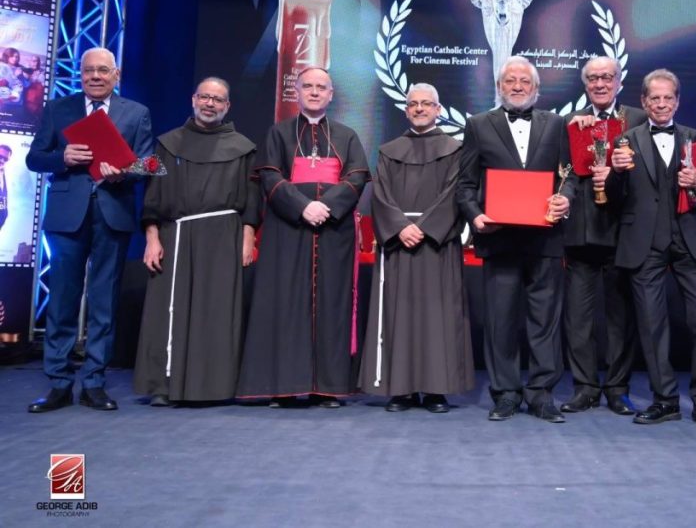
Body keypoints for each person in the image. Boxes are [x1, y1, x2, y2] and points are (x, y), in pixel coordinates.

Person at [26, 47, 154, 412]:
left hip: (113, 213)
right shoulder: (58, 109)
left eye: (102, 70)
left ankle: (94, 382)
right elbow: (34, 158)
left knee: (103, 301)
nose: (95, 76)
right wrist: (62, 158)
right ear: (80, 75)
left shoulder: (136, 113)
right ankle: (59, 383)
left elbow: (150, 164)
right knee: (62, 300)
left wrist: (124, 172)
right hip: (67, 215)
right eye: (88, 71)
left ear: (116, 74)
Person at [236, 67, 369, 408]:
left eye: (321, 87)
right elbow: (269, 177)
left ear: (331, 94)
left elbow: (356, 177)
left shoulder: (347, 135)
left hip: (334, 232)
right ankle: (284, 386)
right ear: (296, 92)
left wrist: (326, 207)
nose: (314, 92)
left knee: (331, 306)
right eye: (307, 86)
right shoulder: (278, 133)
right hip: (288, 229)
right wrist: (303, 207)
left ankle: (327, 388)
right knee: (285, 305)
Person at [456, 55, 574, 423]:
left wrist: (566, 198)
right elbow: (465, 183)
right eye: (511, 81)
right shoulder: (478, 125)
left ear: (537, 88)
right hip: (499, 238)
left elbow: (568, 175)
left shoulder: (557, 124)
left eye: (525, 81)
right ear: (499, 87)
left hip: (545, 240)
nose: (518, 86)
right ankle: (505, 393)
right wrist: (475, 215)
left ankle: (541, 394)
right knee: (501, 322)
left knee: (545, 322)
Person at [604, 69, 696, 428]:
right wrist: (616, 173)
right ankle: (665, 400)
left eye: (667, 97)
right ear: (643, 102)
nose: (661, 104)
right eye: (654, 98)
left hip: (689, 240)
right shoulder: (624, 141)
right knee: (652, 324)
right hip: (644, 243)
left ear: (677, 101)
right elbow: (612, 199)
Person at [133, 78, 260, 406]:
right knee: (168, 311)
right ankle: (164, 386)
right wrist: (151, 238)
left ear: (227, 106)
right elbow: (152, 195)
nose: (210, 104)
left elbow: (252, 198)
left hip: (224, 237)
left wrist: (248, 238)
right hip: (175, 235)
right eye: (205, 97)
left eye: (217, 99)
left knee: (216, 311)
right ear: (193, 100)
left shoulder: (244, 147)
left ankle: (214, 387)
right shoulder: (167, 144)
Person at [358, 83, 474, 414]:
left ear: (438, 109)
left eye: (426, 104)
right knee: (399, 314)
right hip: (399, 243)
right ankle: (401, 389)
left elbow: (455, 193)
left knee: (438, 315)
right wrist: (400, 227)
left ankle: (436, 390)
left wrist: (426, 228)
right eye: (413, 104)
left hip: (438, 243)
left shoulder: (455, 150)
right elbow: (380, 195)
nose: (419, 108)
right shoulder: (389, 150)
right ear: (406, 110)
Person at [560, 56, 646, 417]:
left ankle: (617, 388)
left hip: (622, 230)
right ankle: (584, 387)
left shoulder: (638, 120)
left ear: (619, 82)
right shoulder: (570, 121)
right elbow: (563, 173)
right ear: (585, 84)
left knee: (619, 316)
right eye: (593, 78)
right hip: (581, 233)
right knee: (578, 318)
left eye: (607, 77)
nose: (600, 84)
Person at [0, 144, 10, 233]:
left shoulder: (3, 174)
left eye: (5, 159)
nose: (2, 160)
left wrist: (5, 213)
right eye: (0, 157)